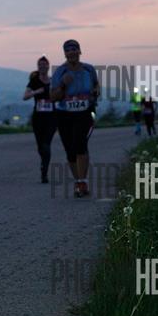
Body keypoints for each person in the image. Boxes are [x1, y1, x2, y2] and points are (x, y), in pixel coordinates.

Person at [50, 40, 100, 198]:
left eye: (74, 49)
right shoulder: (60, 72)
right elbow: (53, 97)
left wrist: (95, 92)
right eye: (68, 50)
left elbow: (96, 85)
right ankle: (78, 180)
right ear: (65, 53)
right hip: (64, 114)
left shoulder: (89, 69)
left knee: (80, 144)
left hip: (85, 112)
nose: (71, 52)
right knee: (70, 150)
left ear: (79, 51)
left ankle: (82, 182)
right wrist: (62, 85)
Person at [23, 55, 56, 183]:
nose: (42, 67)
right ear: (38, 67)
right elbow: (25, 96)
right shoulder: (34, 81)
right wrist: (37, 91)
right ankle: (43, 162)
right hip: (38, 118)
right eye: (40, 65)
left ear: (48, 66)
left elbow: (61, 95)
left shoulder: (53, 81)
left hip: (52, 117)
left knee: (46, 144)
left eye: (44, 65)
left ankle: (45, 171)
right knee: (40, 146)